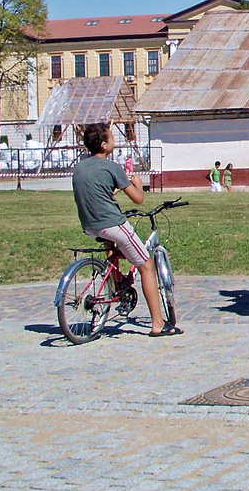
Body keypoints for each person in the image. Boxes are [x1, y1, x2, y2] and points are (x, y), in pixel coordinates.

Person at [73, 121, 182, 338]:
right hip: (112, 223)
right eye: (111, 137)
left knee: (112, 246)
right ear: (104, 145)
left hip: (90, 225)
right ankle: (158, 324)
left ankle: (116, 282)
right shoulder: (113, 167)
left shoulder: (80, 167)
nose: (115, 140)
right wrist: (138, 183)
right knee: (146, 265)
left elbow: (102, 192)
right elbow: (139, 199)